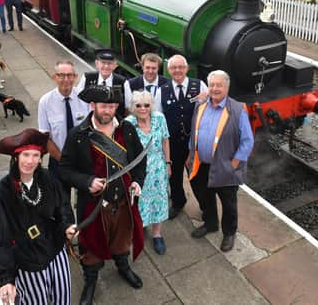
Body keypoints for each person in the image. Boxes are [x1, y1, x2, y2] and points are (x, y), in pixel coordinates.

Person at [59, 85, 146, 305]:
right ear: (93, 106)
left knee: (122, 240)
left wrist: (136, 181)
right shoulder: (78, 135)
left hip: (124, 201)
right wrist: (86, 181)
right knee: (91, 247)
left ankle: (123, 267)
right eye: (103, 106)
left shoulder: (126, 130)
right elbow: (65, 170)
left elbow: (139, 161)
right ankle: (90, 282)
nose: (108, 111)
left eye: (112, 106)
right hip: (93, 205)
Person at [0, 128, 77, 305]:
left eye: (35, 155)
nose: (30, 161)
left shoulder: (47, 178)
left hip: (56, 251)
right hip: (27, 262)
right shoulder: (1, 193)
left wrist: (66, 225)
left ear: (41, 158)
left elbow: (62, 206)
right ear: (16, 157)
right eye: (25, 155)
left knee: (64, 299)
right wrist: (5, 279)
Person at [187, 70, 254, 252]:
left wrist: (234, 164)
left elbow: (247, 141)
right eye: (212, 85)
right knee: (205, 197)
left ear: (227, 87)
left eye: (219, 85)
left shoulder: (238, 109)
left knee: (228, 203)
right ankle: (210, 224)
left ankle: (229, 233)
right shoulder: (200, 105)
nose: (215, 89)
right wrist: (190, 153)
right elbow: (194, 131)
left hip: (225, 167)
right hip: (201, 164)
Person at [160, 54, 208, 220]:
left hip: (193, 144)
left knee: (197, 177)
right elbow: (159, 118)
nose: (177, 70)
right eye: (174, 68)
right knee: (174, 176)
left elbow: (207, 114)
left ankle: (206, 207)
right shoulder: (162, 91)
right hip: (172, 143)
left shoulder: (199, 85)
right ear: (169, 70)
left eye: (181, 67)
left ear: (187, 68)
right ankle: (178, 202)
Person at [125, 90, 170, 255]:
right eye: (138, 105)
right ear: (133, 107)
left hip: (158, 168)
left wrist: (168, 163)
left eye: (146, 105)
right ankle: (140, 228)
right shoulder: (128, 123)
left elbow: (165, 140)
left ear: (151, 106)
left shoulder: (159, 118)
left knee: (158, 200)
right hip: (139, 171)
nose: (143, 108)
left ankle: (157, 234)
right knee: (139, 202)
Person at [38, 60, 90, 178]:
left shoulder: (85, 98)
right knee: (59, 196)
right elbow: (45, 137)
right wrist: (63, 161)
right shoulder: (45, 102)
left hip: (84, 160)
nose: (66, 79)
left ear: (75, 77)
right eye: (61, 75)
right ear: (54, 77)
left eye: (70, 75)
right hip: (58, 161)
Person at [75, 49, 126, 120]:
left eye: (110, 63)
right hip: (90, 121)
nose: (106, 66)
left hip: (113, 123)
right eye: (103, 62)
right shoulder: (87, 78)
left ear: (115, 65)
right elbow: (78, 100)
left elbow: (127, 107)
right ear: (97, 64)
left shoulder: (122, 82)